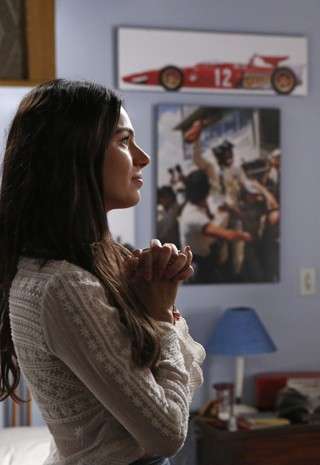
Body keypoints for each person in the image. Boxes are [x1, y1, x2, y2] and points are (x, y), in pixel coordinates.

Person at [0, 79, 206, 465]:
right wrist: (162, 316)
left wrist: (151, 302)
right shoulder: (64, 285)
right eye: (124, 141)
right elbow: (167, 433)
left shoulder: (71, 268)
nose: (143, 158)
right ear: (75, 154)